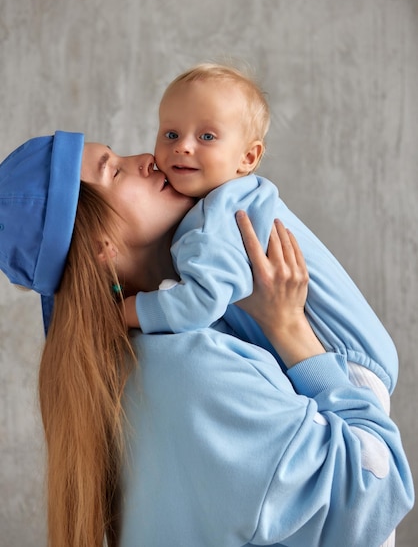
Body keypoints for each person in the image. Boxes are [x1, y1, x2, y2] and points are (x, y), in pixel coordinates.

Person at [0, 131, 413, 547]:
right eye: (115, 170)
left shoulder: (116, 374)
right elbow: (373, 492)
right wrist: (291, 331)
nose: (145, 158)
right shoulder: (191, 366)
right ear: (99, 245)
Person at [124, 63, 397, 400]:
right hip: (357, 354)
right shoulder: (243, 199)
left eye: (206, 136)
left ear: (247, 157)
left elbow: (200, 302)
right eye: (171, 134)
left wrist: (127, 310)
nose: (183, 147)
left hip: (342, 364)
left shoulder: (221, 210)